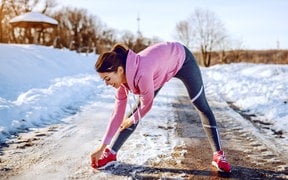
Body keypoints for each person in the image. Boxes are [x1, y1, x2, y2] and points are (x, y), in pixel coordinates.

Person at [91, 42, 231, 173]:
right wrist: (101, 148)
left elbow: (147, 105)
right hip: (159, 71)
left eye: (107, 79)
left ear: (120, 70)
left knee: (200, 104)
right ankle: (111, 153)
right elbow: (117, 114)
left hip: (183, 60)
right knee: (135, 112)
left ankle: (218, 155)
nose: (107, 84)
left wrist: (132, 119)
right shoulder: (121, 82)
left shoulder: (142, 74)